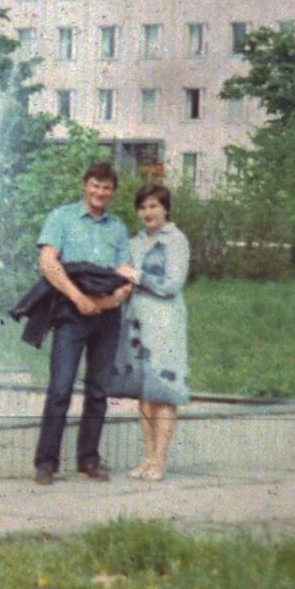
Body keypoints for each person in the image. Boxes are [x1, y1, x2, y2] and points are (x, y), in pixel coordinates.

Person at [30, 161, 136, 486]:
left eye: (107, 188)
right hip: (70, 312)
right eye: (95, 185)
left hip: (107, 316)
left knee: (98, 390)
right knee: (60, 387)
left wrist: (107, 302)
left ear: (113, 193)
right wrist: (78, 298)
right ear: (84, 185)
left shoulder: (118, 228)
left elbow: (126, 276)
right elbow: (48, 263)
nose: (100, 192)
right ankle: (46, 463)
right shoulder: (61, 217)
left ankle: (89, 459)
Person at [110, 182, 190, 481]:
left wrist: (136, 275)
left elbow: (172, 284)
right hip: (137, 322)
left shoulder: (176, 240)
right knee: (144, 393)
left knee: (164, 391)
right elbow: (123, 279)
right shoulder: (135, 242)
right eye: (143, 207)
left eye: (154, 206)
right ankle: (147, 458)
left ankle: (160, 460)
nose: (148, 212)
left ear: (165, 208)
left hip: (166, 323)